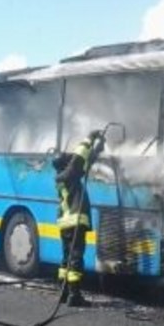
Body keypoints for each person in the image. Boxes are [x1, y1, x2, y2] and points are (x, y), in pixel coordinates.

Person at [53, 130, 105, 307]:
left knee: (66, 258)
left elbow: (83, 164)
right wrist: (89, 138)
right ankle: (74, 296)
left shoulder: (63, 177)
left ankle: (63, 292)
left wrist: (97, 150)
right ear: (64, 165)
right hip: (75, 222)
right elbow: (78, 161)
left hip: (66, 223)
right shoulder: (68, 175)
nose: (70, 161)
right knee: (75, 258)